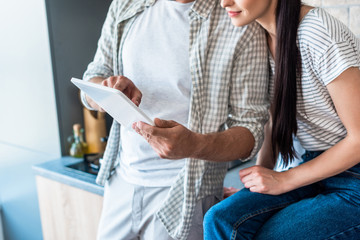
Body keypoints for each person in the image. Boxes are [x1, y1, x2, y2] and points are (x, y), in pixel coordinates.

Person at [80, 0, 269, 239]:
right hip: (121, 181)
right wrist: (106, 91)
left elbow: (251, 132)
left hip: (186, 193)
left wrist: (194, 145)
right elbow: (93, 78)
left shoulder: (238, 21)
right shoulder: (126, 4)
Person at [203, 0, 360, 239]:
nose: (225, 2)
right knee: (220, 219)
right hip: (315, 166)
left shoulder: (319, 32)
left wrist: (284, 179)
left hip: (353, 177)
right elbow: (275, 122)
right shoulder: (258, 36)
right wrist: (258, 182)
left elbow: (359, 139)